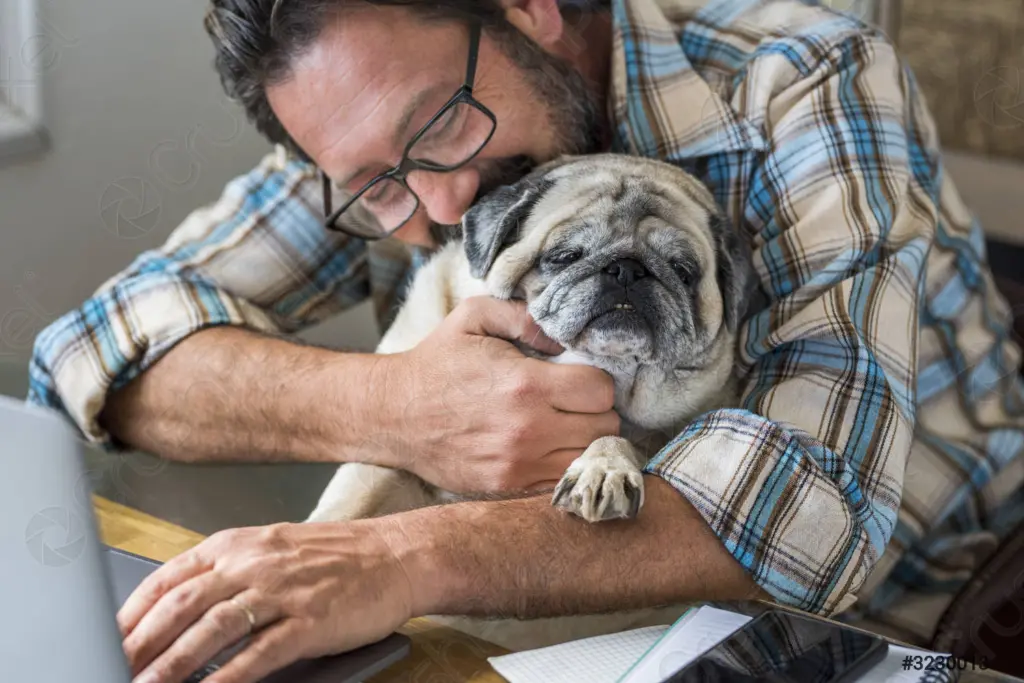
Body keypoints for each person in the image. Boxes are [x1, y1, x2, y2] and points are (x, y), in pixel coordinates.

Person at [27, 0, 1024, 681]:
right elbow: (88, 349)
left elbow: (816, 512)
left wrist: (398, 557)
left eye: (444, 126)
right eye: (380, 183)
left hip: (913, 606)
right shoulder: (379, 132)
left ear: (532, 7)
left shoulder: (808, 81)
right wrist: (397, 407)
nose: (441, 198)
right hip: (548, 606)